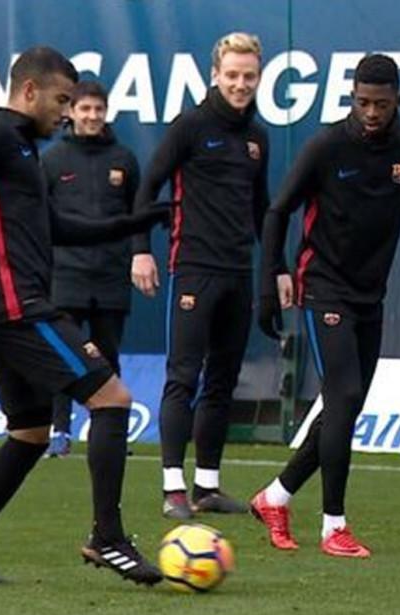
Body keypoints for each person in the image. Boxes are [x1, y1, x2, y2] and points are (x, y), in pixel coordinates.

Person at [0, 46, 168, 585]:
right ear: (29, 91)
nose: (67, 111)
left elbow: (56, 228)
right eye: (62, 99)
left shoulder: (23, 151)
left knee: (30, 433)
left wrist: (134, 224)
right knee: (113, 398)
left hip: (10, 313)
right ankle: (107, 537)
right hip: (19, 310)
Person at [249, 54, 400, 558]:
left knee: (346, 406)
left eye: (381, 104)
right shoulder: (327, 146)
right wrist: (270, 279)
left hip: (371, 293)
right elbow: (277, 211)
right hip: (323, 286)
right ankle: (334, 527)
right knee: (342, 396)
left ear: (398, 102)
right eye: (363, 102)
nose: (371, 112)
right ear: (351, 97)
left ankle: (275, 497)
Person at [131, 32, 269, 520]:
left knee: (222, 380)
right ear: (215, 74)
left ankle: (207, 486)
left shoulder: (257, 137)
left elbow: (262, 209)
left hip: (238, 272)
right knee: (183, 377)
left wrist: (277, 268)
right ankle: (173, 489)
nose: (240, 84)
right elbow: (147, 187)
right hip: (192, 268)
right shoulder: (189, 126)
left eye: (248, 76)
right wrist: (140, 252)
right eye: (231, 75)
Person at [42, 80, 140, 458]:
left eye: (98, 109)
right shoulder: (51, 159)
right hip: (65, 275)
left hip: (110, 276)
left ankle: (110, 431)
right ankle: (60, 431)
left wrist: (136, 255)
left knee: (108, 357)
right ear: (71, 112)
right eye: (85, 109)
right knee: (64, 356)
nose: (92, 116)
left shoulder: (124, 159)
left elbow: (136, 215)